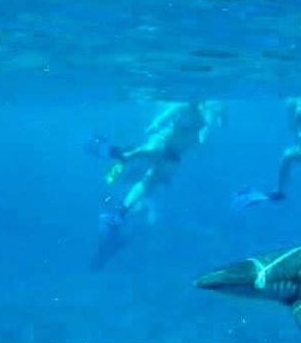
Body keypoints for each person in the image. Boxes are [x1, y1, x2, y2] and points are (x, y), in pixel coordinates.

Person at [91, 100, 222, 268]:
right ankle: (113, 152)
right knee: (146, 157)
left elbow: (212, 124)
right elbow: (169, 112)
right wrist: (156, 123)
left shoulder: (212, 110)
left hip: (175, 153)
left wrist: (210, 128)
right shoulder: (188, 105)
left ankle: (120, 211)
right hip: (164, 142)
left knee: (150, 180)